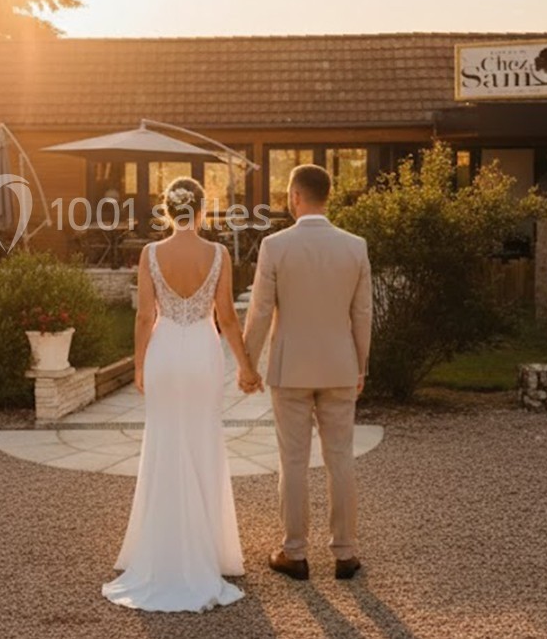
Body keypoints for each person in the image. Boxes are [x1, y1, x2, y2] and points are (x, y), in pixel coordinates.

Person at [102, 177, 263, 612]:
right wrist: (246, 366)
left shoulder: (151, 254)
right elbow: (227, 318)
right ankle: (209, 552)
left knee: (164, 443)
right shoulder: (220, 253)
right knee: (203, 442)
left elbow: (143, 317)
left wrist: (138, 365)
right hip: (203, 354)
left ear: (167, 210)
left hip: (165, 352)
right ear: (202, 209)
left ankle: (163, 549)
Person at [243, 163, 373, 583]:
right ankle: (346, 553)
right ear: (327, 196)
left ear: (295, 196)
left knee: (293, 461)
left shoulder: (275, 246)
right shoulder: (355, 246)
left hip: (290, 368)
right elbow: (363, 313)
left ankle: (294, 552)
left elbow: (260, 310)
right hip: (339, 366)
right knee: (341, 459)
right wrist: (361, 365)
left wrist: (247, 363)